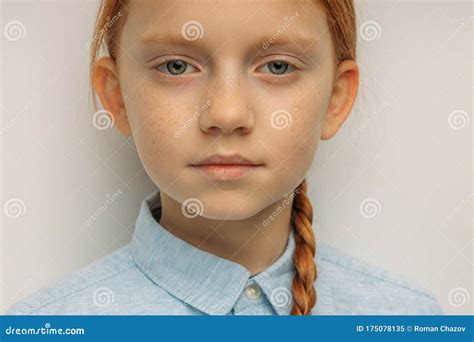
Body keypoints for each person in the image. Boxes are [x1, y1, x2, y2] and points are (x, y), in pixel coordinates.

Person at [7, 0, 442, 315]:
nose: (226, 114)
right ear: (117, 96)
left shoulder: (405, 317)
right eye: (176, 67)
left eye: (277, 67)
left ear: (335, 98)